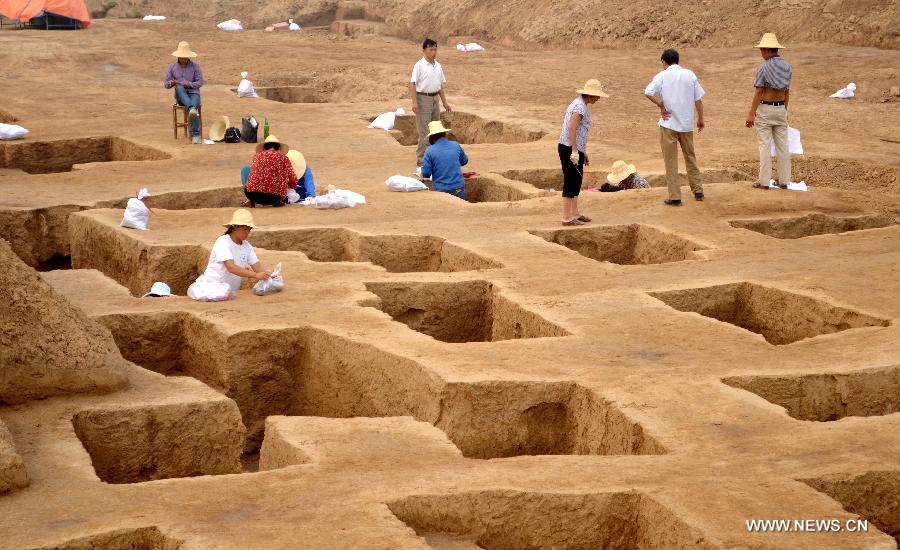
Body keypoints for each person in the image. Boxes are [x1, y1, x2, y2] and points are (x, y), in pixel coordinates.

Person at [644, 48, 706, 205]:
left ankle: (675, 196)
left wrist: (661, 105)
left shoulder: (662, 76)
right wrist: (700, 119)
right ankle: (698, 191)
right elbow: (698, 100)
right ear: (677, 60)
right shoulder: (690, 75)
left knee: (670, 161)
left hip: (668, 124)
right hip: (686, 124)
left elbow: (648, 91)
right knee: (690, 158)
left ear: (664, 62)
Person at [558, 79, 608, 226]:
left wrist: (582, 152)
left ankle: (574, 213)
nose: (598, 98)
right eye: (597, 96)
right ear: (591, 95)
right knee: (570, 181)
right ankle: (567, 217)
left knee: (576, 181)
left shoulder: (581, 104)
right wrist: (574, 151)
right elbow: (572, 128)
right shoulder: (579, 107)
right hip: (569, 148)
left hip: (573, 148)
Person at [746, 33, 792, 190]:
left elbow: (759, 91)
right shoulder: (787, 66)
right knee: (783, 146)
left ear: (766, 50)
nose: (761, 53)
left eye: (761, 50)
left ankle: (764, 182)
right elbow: (787, 91)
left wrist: (751, 113)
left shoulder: (763, 67)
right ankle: (784, 181)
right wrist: (784, 110)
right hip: (780, 108)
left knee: (764, 145)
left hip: (765, 109)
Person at [193, 209, 271, 295]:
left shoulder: (247, 246)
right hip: (212, 289)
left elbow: (257, 267)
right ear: (235, 226)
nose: (247, 232)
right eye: (245, 229)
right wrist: (255, 275)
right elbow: (231, 267)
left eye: (249, 230)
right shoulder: (223, 242)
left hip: (230, 293)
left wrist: (268, 276)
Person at [410, 38, 451, 175]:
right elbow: (413, 84)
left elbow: (440, 86)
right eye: (431, 49)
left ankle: (433, 160)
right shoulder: (419, 65)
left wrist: (444, 102)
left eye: (435, 49)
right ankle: (422, 162)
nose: (434, 52)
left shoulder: (438, 66)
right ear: (424, 50)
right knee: (424, 132)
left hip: (434, 98)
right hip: (423, 98)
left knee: (435, 130)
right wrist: (414, 102)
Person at [164, 41, 205, 144]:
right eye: (182, 56)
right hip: (181, 96)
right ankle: (196, 134)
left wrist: (190, 84)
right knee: (179, 87)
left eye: (185, 56)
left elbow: (200, 82)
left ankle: (191, 109)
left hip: (193, 93)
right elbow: (166, 84)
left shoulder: (196, 66)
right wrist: (172, 83)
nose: (183, 58)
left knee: (193, 108)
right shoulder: (171, 67)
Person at [243, 136, 297, 207]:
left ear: (264, 148)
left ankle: (250, 201)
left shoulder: (257, 156)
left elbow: (253, 174)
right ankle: (277, 203)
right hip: (275, 198)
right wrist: (292, 186)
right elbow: (292, 179)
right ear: (278, 148)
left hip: (252, 195)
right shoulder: (284, 158)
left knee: (246, 169)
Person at [421, 121, 468, 199]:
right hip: (458, 187)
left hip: (441, 189)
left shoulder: (429, 150)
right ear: (444, 134)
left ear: (431, 137)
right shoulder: (455, 145)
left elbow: (426, 173)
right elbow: (465, 161)